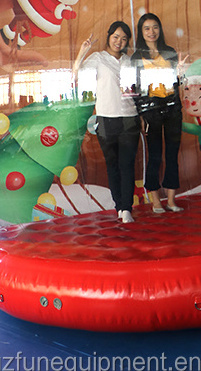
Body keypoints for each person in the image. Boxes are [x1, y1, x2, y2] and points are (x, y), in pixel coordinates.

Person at [74, 21, 140, 224]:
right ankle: (119, 206)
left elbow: (137, 90)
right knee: (112, 165)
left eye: (123, 38)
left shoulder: (130, 61)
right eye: (116, 36)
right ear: (109, 36)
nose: (119, 41)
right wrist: (82, 51)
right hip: (105, 119)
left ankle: (127, 208)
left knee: (127, 165)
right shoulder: (98, 58)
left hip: (130, 118)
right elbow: (76, 73)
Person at [131, 13, 186, 213]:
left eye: (155, 27)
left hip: (172, 109)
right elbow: (134, 88)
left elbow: (175, 82)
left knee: (172, 154)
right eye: (147, 28)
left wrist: (177, 105)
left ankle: (171, 201)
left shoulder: (169, 52)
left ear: (160, 29)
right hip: (151, 111)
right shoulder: (136, 57)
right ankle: (155, 201)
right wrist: (141, 115)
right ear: (141, 32)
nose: (151, 32)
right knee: (155, 156)